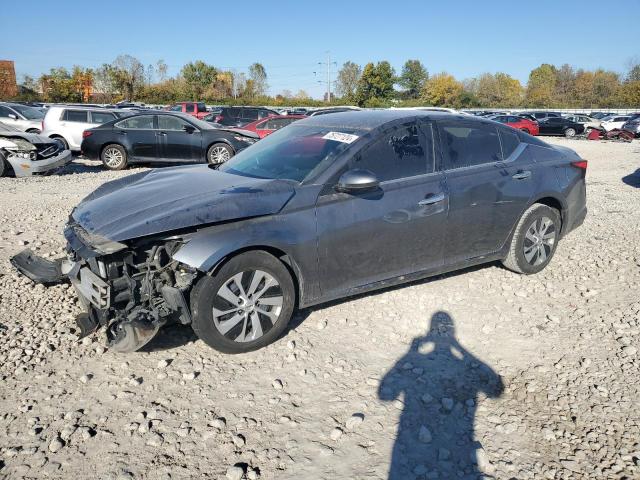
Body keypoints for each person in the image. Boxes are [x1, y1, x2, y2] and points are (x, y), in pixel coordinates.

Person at [379, 311, 504, 479]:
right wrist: (459, 348)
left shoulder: (418, 357)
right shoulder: (457, 360)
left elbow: (385, 394)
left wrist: (411, 352)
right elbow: (497, 390)